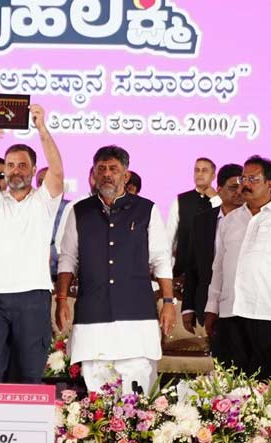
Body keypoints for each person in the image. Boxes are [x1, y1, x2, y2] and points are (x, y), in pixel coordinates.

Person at [56, 146, 174, 394]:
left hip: (137, 317)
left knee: (138, 396)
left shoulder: (146, 210)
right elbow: (68, 259)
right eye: (101, 169)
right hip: (93, 317)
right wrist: (62, 299)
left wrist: (168, 302)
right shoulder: (79, 211)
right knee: (97, 394)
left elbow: (161, 259)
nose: (107, 174)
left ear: (126, 175)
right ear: (93, 174)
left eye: (113, 169)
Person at [0, 104, 64, 384]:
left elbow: (57, 173)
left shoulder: (44, 201)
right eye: (10, 165)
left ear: (34, 170)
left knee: (28, 374)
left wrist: (42, 130)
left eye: (22, 165)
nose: (15, 171)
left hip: (33, 296)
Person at [204, 155, 271, 381]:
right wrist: (212, 308)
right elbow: (219, 269)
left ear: (270, 184)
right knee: (229, 380)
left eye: (253, 178)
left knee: (265, 381)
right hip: (230, 312)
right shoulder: (230, 221)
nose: (245, 184)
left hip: (266, 313)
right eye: (243, 178)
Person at [181, 164, 244, 333]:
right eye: (233, 187)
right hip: (208, 304)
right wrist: (188, 308)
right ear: (219, 189)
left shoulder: (253, 220)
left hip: (243, 305)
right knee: (217, 358)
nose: (239, 192)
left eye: (242, 187)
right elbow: (193, 266)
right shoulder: (202, 221)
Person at [166, 158, 221, 277]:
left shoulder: (219, 201)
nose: (200, 174)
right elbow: (169, 237)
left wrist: (215, 198)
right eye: (197, 170)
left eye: (204, 170)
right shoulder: (180, 200)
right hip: (183, 271)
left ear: (213, 175)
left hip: (212, 271)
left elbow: (224, 224)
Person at [37, 166, 70, 284]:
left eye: (50, 181)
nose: (46, 186)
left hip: (67, 279)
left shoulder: (73, 209)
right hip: (37, 279)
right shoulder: (27, 210)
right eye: (41, 182)